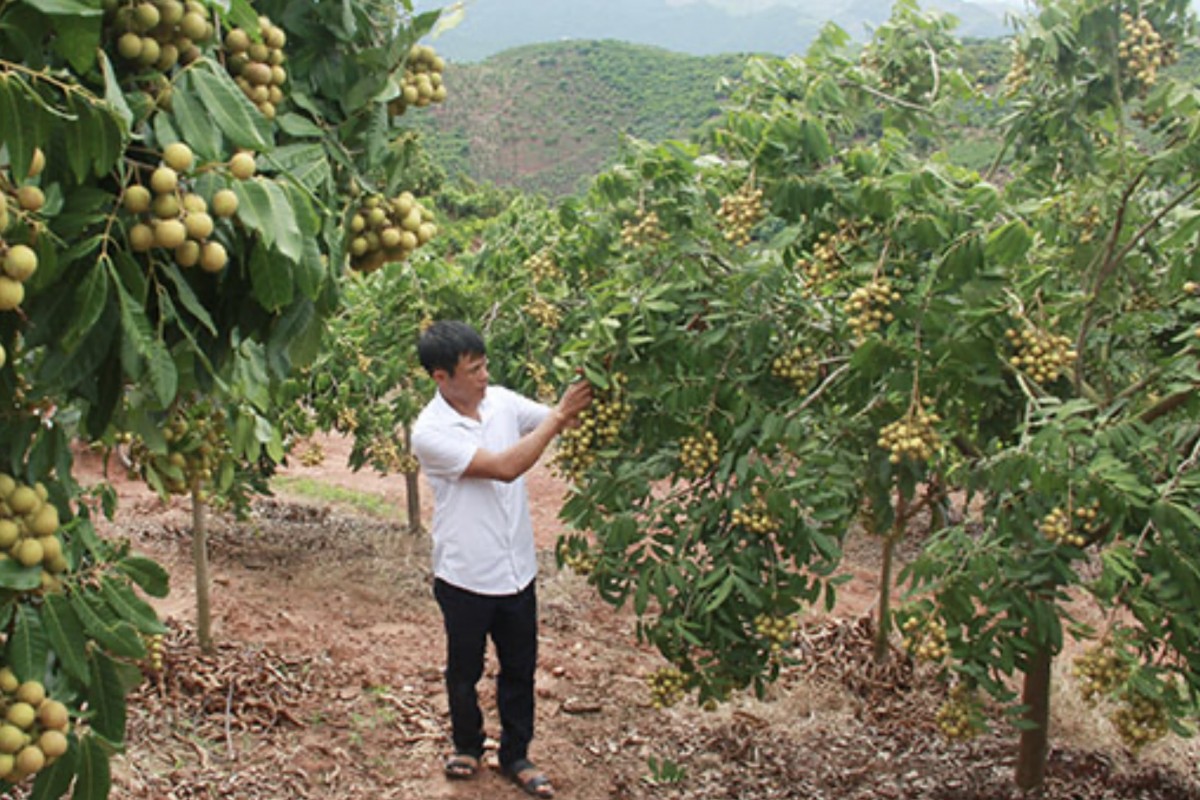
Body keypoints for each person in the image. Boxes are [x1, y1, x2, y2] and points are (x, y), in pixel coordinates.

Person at [411, 320, 592, 799]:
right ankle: (467, 744)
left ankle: (516, 754)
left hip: (517, 571)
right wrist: (557, 419)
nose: (484, 376)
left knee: (519, 667)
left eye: (485, 364)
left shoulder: (504, 403)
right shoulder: (430, 432)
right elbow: (506, 468)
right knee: (464, 669)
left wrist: (603, 367)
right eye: (474, 369)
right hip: (465, 573)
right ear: (441, 378)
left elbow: (562, 415)